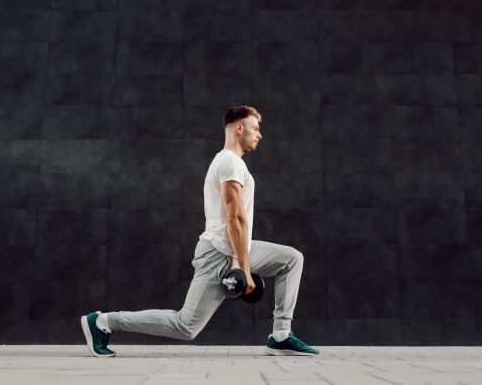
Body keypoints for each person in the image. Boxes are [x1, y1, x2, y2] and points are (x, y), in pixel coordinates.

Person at [80, 105, 319, 357]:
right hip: (218, 253)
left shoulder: (233, 163)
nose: (259, 134)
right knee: (186, 326)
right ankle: (102, 321)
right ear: (239, 128)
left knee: (291, 259)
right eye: (256, 128)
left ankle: (281, 334)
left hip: (235, 249)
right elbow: (235, 218)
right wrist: (243, 268)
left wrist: (241, 260)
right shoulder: (229, 162)